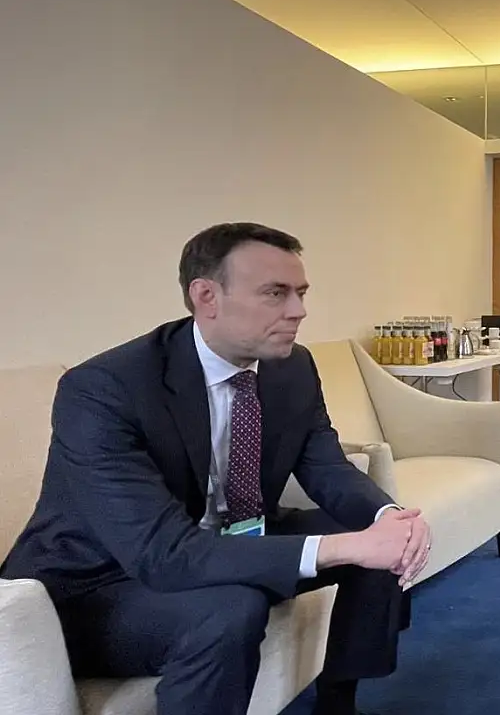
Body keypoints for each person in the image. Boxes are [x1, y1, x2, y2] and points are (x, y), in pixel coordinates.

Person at [0, 223, 432, 715]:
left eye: (301, 293)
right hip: (101, 582)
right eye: (276, 293)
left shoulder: (291, 368)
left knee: (378, 538)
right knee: (230, 610)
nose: (298, 310)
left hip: (228, 536)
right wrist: (347, 546)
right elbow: (162, 553)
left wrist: (387, 517)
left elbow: (326, 465)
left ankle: (338, 700)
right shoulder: (105, 389)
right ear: (206, 296)